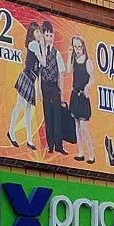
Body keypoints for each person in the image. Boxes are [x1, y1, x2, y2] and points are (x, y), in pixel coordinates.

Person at [36, 20, 72, 158]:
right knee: (48, 116)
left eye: (51, 35)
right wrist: (39, 91)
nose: (49, 38)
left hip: (54, 86)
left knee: (57, 116)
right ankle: (50, 145)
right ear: (43, 36)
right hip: (44, 86)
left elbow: (61, 74)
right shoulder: (40, 52)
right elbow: (39, 74)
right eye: (47, 35)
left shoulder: (56, 53)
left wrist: (61, 92)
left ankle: (59, 145)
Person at [6, 24, 41, 149]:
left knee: (27, 110)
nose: (39, 34)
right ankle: (11, 131)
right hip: (26, 78)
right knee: (20, 105)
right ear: (32, 33)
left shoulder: (37, 45)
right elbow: (42, 61)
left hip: (31, 80)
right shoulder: (34, 44)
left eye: (39, 31)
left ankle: (29, 140)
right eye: (36, 32)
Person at [66, 35, 94, 163]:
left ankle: (91, 154)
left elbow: (93, 79)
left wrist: (88, 87)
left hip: (83, 96)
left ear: (83, 46)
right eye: (75, 46)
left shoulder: (88, 62)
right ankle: (80, 152)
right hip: (75, 95)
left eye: (79, 47)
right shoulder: (74, 59)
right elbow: (68, 70)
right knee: (76, 125)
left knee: (84, 127)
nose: (77, 49)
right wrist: (69, 54)